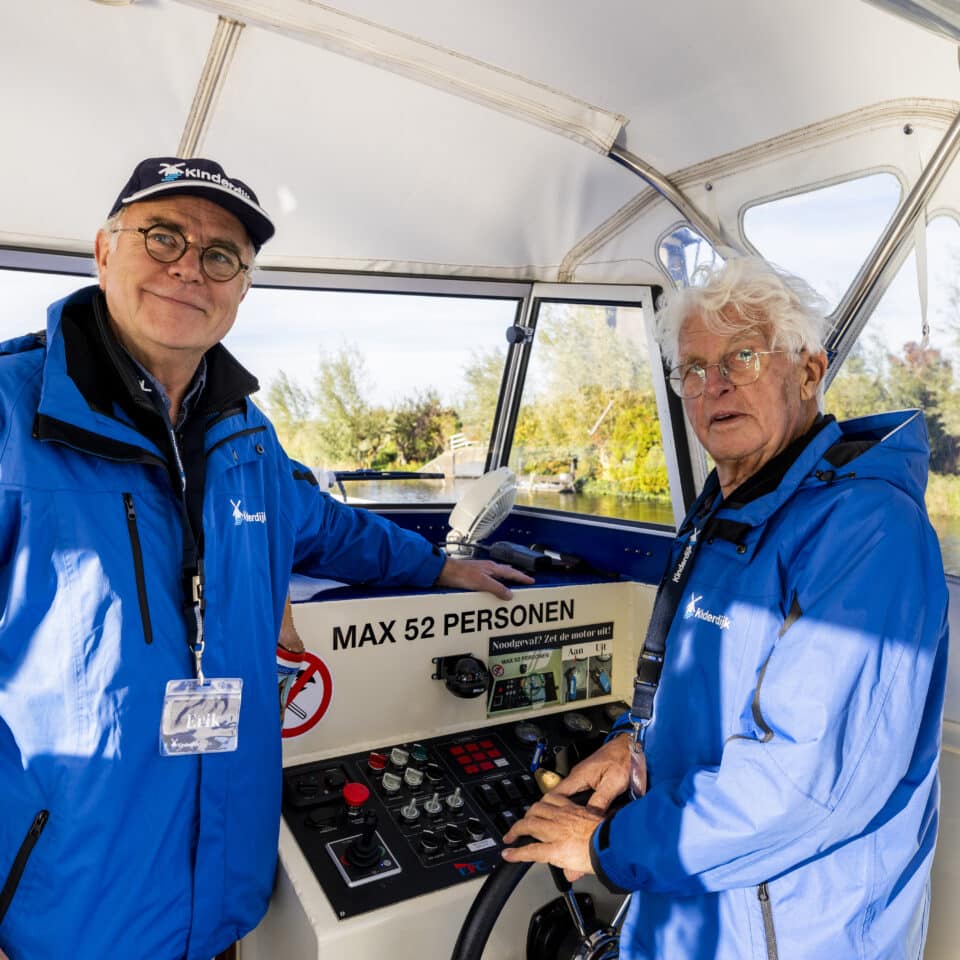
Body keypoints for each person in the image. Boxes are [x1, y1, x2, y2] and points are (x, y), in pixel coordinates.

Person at [0, 156, 532, 960]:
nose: (190, 267)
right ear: (104, 251)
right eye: (163, 235)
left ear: (241, 288)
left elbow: (320, 524)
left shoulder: (244, 434)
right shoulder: (11, 415)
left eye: (221, 255)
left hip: (221, 904)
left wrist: (437, 568)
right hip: (63, 910)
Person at [503, 257, 949, 960]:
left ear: (809, 371)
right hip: (691, 914)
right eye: (694, 369)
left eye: (741, 356)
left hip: (790, 936)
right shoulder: (729, 510)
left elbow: (801, 787)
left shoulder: (868, 532)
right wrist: (633, 745)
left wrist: (605, 845)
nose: (714, 386)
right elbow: (708, 688)